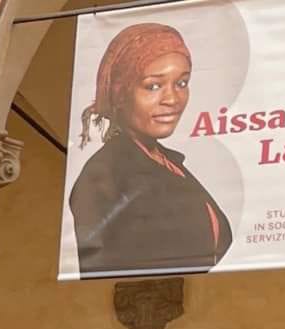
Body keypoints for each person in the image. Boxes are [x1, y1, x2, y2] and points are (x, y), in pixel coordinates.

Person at [69, 22, 233, 277]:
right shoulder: (104, 176)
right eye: (153, 86)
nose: (172, 99)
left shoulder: (168, 162)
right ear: (121, 93)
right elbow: (105, 272)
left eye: (181, 83)